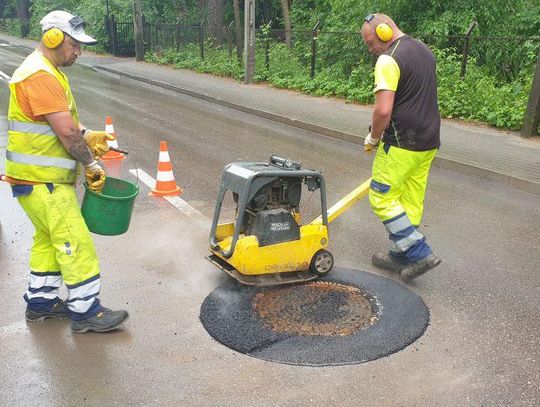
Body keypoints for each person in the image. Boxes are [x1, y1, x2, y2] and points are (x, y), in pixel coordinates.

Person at [3, 10, 129, 332]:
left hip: (32, 180)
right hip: (44, 182)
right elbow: (66, 134)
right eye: (74, 45)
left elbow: (67, 124)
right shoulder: (41, 75)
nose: (78, 52)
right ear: (54, 38)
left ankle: (40, 303)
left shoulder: (46, 70)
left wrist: (89, 135)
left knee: (48, 240)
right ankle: (87, 313)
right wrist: (90, 162)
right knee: (76, 241)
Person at [360, 13, 441, 281]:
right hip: (429, 141)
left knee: (382, 197)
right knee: (410, 200)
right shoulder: (424, 50)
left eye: (371, 43)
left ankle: (419, 253)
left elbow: (383, 110)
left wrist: (373, 137)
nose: (371, 49)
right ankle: (399, 256)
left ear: (384, 31)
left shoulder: (388, 59)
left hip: (401, 143)